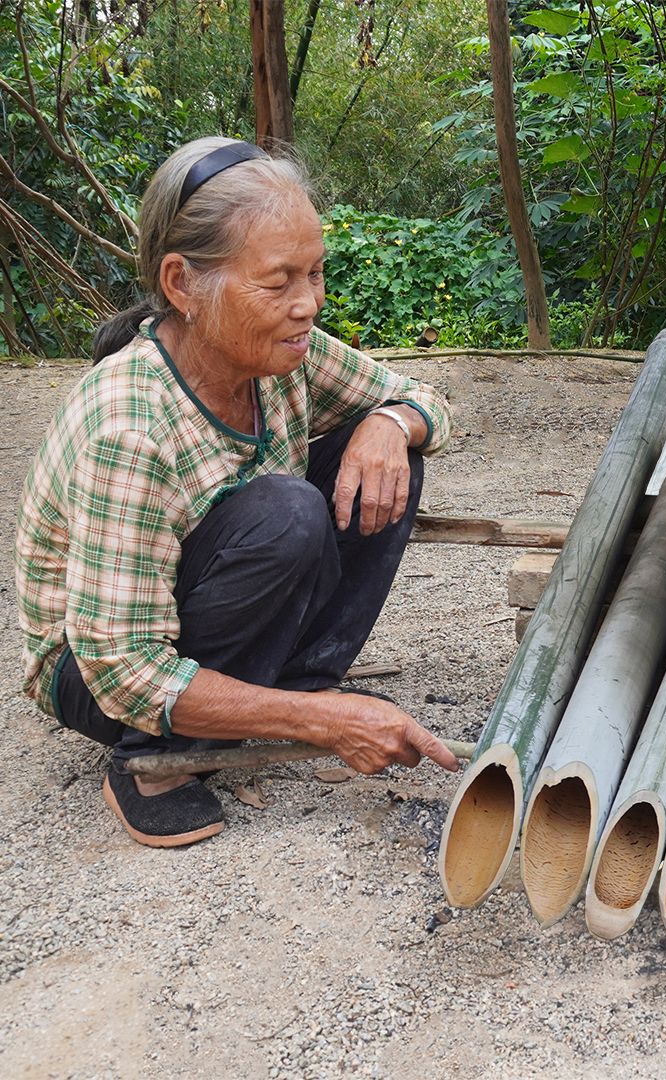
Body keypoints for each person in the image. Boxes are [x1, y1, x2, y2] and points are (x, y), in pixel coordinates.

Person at [14, 137, 460, 849]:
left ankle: (304, 686)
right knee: (287, 511)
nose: (308, 304)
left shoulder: (283, 352)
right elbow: (125, 672)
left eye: (315, 274)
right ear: (182, 284)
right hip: (95, 675)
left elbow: (422, 397)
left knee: (384, 456)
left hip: (184, 618)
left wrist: (391, 421)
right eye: (279, 280)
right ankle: (154, 765)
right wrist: (322, 730)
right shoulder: (130, 425)